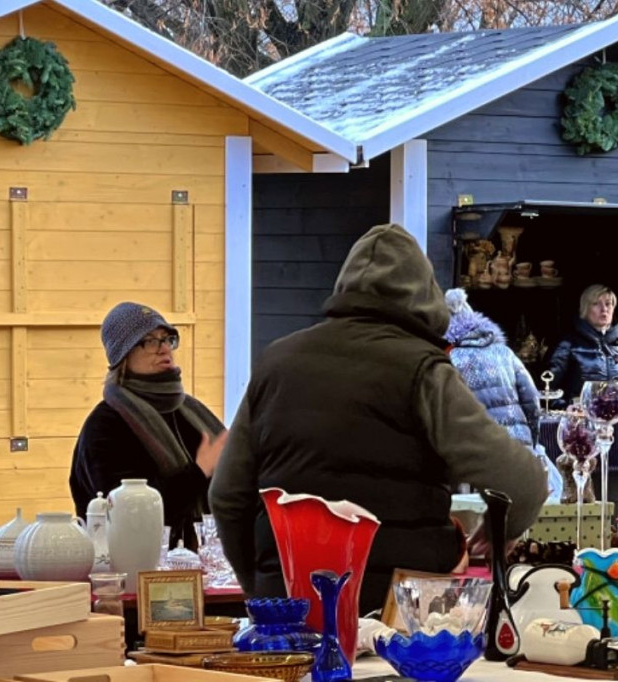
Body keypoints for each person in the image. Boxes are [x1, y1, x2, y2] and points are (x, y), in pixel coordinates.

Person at [209, 224, 549, 615]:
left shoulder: (275, 362)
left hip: (290, 607)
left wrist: (260, 588)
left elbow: (226, 495)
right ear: (426, 298)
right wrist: (500, 530)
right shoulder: (422, 369)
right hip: (398, 611)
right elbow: (523, 482)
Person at [69, 302, 227, 550]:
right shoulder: (106, 425)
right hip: (132, 570)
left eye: (167, 339)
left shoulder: (190, 413)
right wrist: (199, 471)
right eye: (149, 341)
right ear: (124, 355)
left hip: (210, 562)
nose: (164, 348)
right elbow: (129, 513)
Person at [444, 288, 563, 499]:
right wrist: (532, 442)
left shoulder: (449, 359)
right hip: (516, 450)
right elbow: (532, 402)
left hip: (476, 460)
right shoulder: (505, 353)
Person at [547, 284, 618, 411]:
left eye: (608, 304)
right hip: (581, 422)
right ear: (585, 309)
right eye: (596, 304)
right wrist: (566, 407)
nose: (604, 309)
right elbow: (548, 389)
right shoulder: (568, 345)